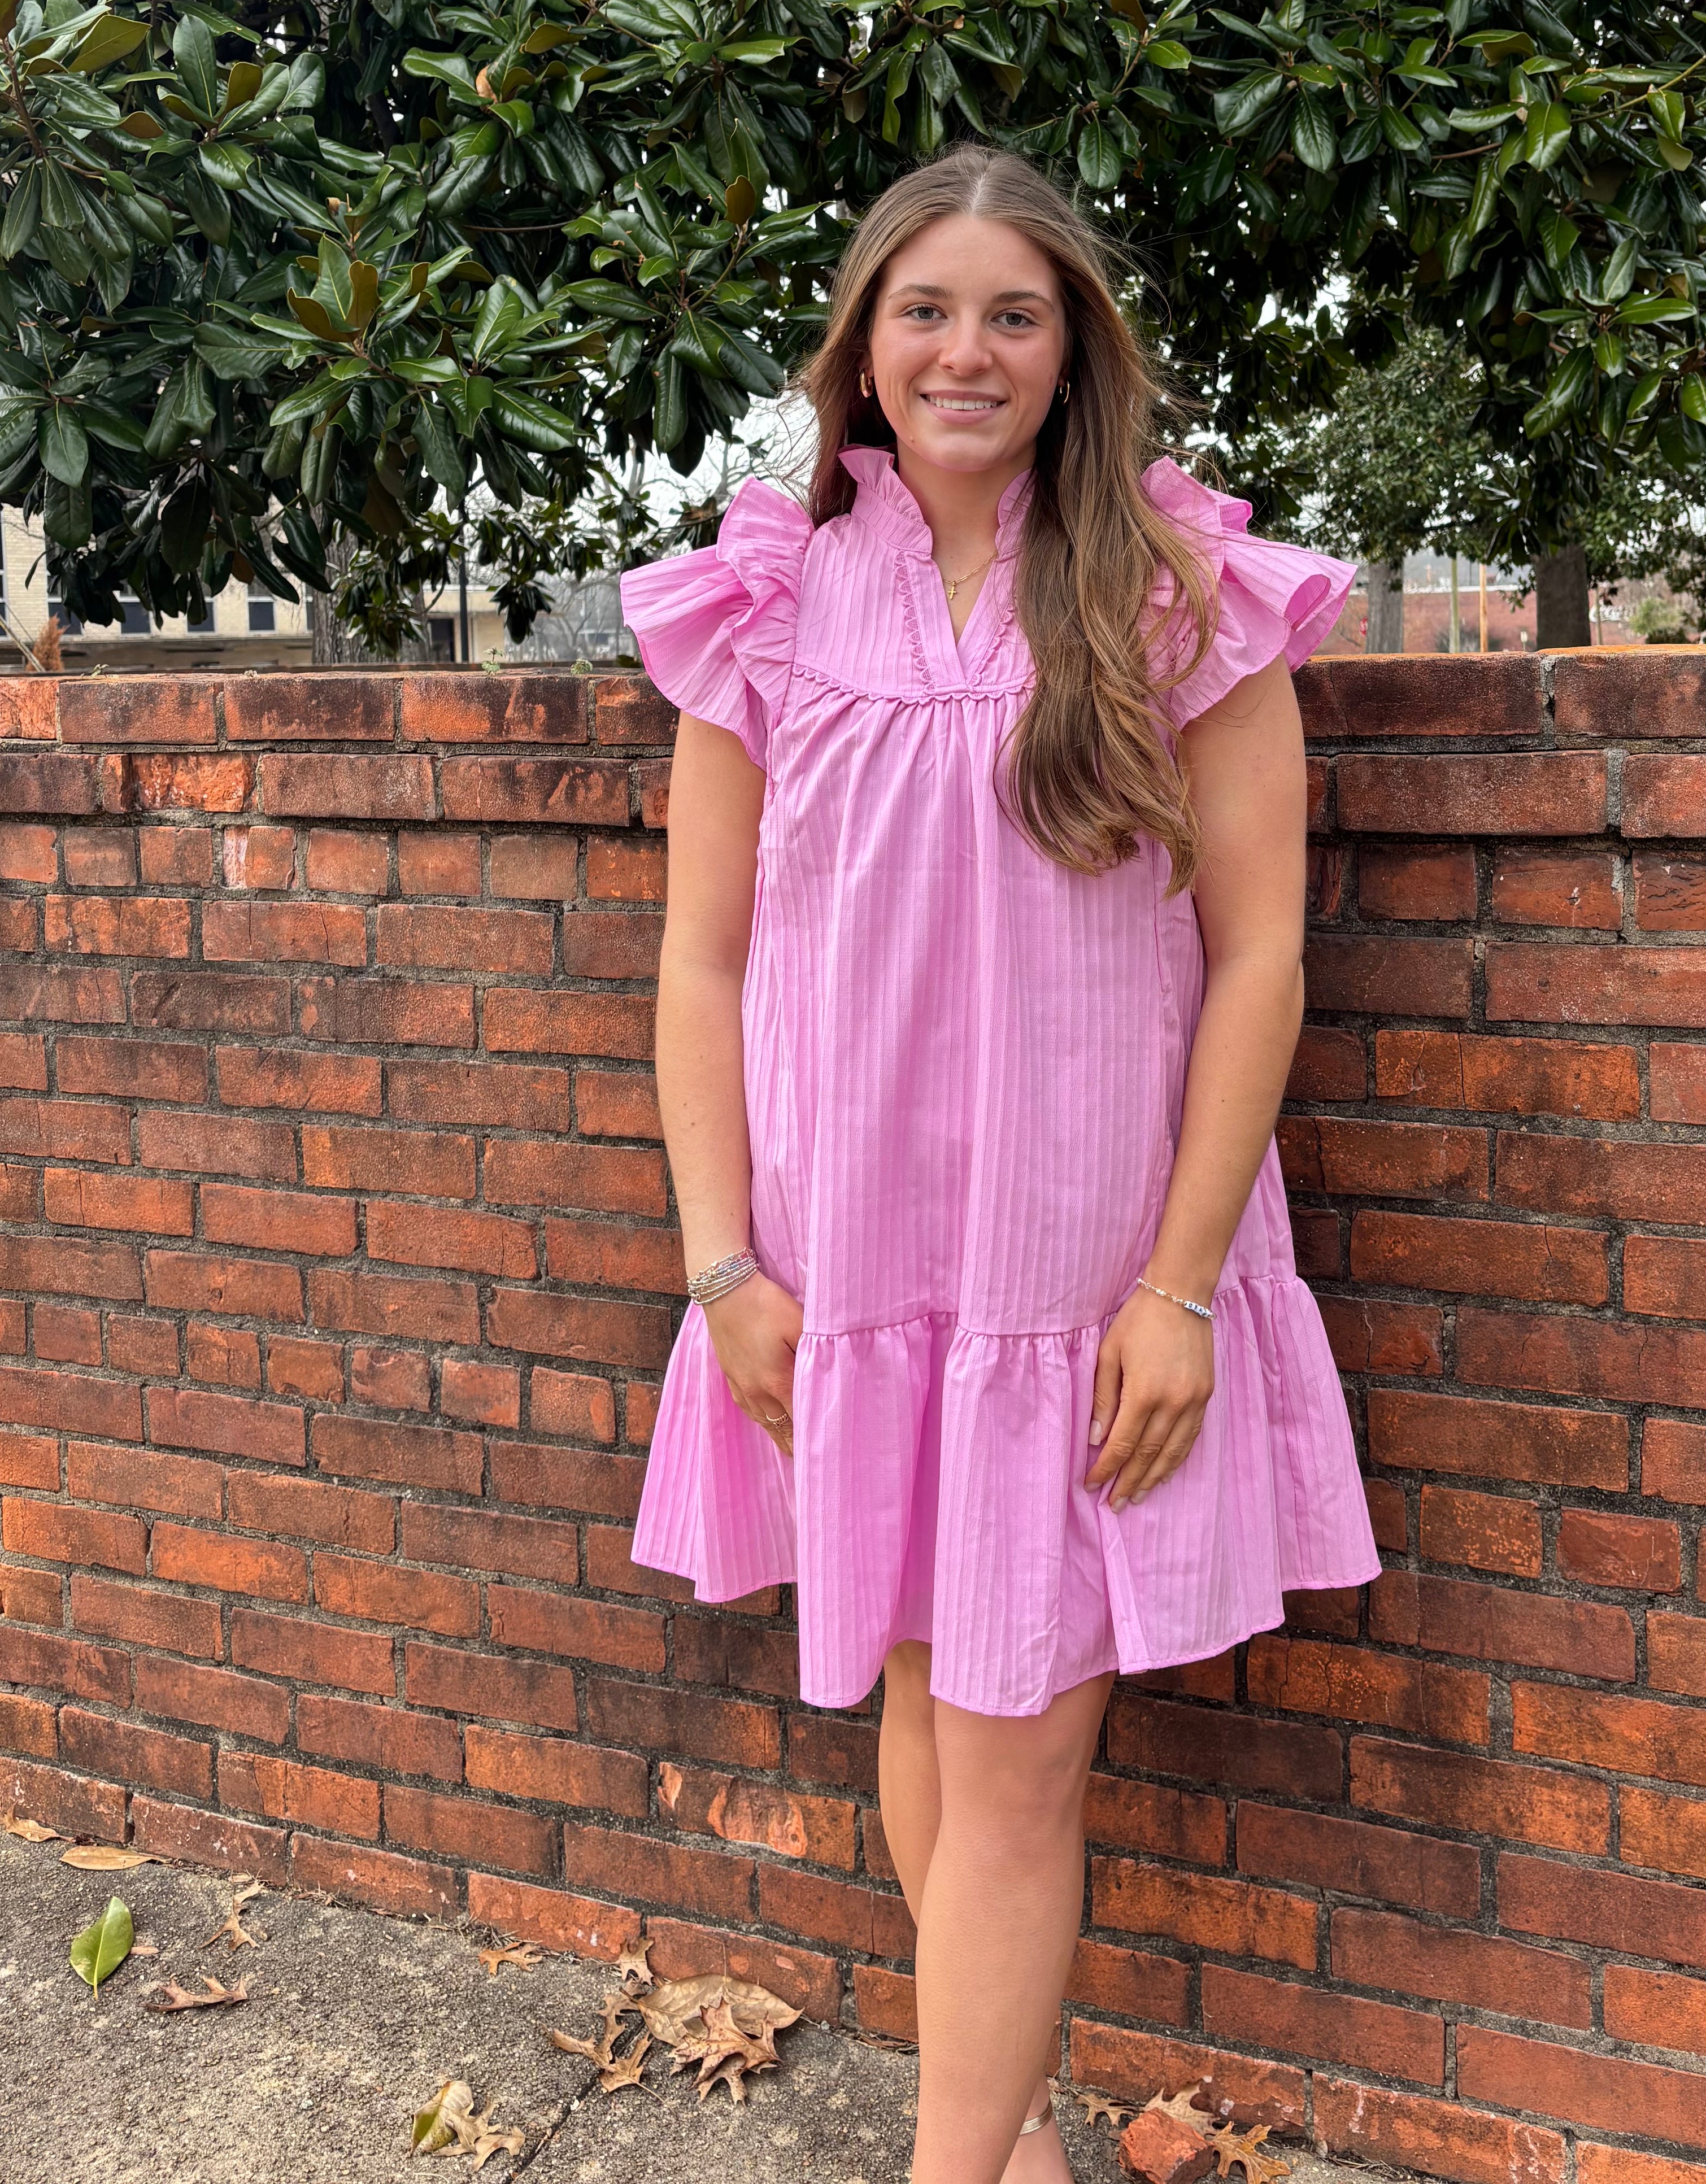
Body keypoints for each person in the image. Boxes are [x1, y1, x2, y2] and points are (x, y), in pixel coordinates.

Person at [619, 146, 1378, 2184]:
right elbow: (701, 961)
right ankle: (1013, 2139)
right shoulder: (766, 594)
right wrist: (724, 1265)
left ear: (1074, 352)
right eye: (928, 310)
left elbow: (1262, 961)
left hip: (1082, 1276)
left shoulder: (1176, 591)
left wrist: (1180, 1286)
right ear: (866, 343)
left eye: (1015, 314)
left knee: (1021, 1756)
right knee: (927, 1709)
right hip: (840, 1272)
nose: (968, 350)